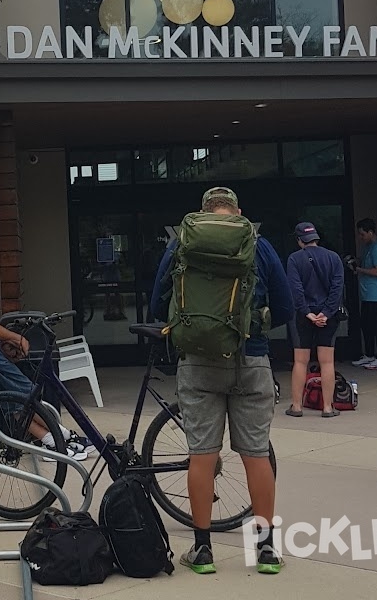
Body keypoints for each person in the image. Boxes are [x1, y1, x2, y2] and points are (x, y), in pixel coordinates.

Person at [150, 187, 293, 576]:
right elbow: (284, 306)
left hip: (198, 361)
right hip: (252, 357)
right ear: (238, 212)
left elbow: (156, 302)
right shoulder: (258, 245)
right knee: (256, 453)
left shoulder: (183, 243)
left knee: (202, 454)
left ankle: (202, 551)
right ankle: (265, 552)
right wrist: (254, 331)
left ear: (203, 214)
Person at [0, 244, 94, 461]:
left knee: (14, 403)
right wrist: (17, 338)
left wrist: (3, 343)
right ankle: (58, 442)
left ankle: (57, 440)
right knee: (28, 394)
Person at [284, 222, 345, 418]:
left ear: (300, 240)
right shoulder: (334, 258)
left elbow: (295, 289)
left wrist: (307, 312)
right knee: (327, 362)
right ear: (316, 238)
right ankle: (328, 407)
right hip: (328, 316)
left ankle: (296, 406)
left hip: (303, 316)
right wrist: (326, 313)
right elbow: (337, 289)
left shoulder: (294, 259)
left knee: (300, 361)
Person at [351, 218, 377, 370]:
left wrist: (359, 270)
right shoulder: (367, 247)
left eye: (362, 234)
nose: (360, 237)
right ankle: (369, 354)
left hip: (376, 293)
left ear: (370, 232)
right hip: (367, 293)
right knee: (366, 324)